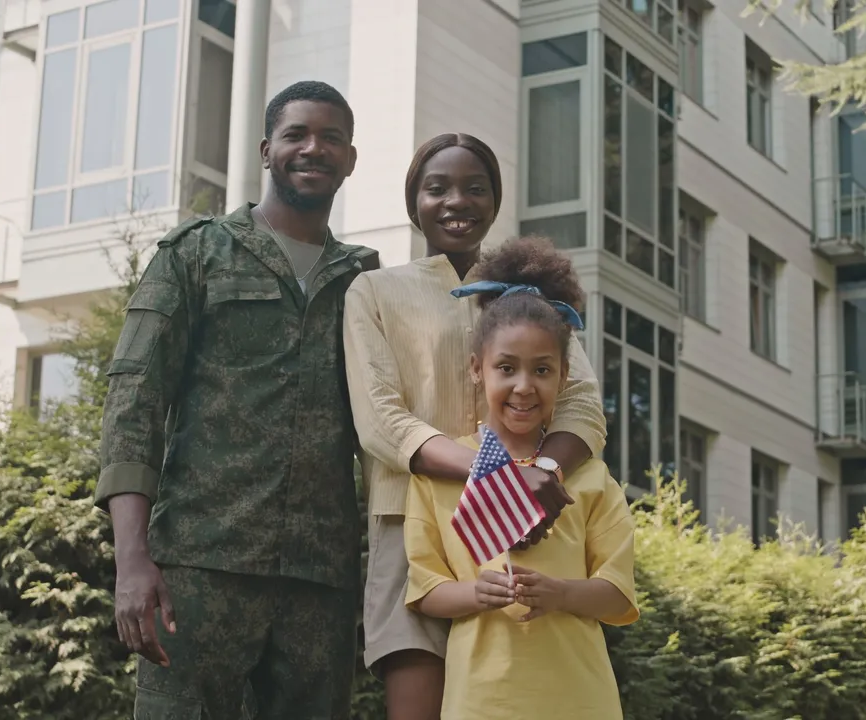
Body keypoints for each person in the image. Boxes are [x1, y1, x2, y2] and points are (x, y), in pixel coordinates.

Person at [95, 80, 378, 720]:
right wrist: (132, 560)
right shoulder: (196, 254)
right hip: (199, 568)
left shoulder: (364, 281)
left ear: (351, 159)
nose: (314, 148)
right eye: (297, 134)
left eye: (331, 138)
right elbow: (134, 402)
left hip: (319, 581)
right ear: (266, 150)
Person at [343, 134, 606, 719]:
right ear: (414, 204)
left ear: (495, 201)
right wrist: (503, 475)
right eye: (437, 188)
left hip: (530, 524)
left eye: (474, 188)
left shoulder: (530, 298)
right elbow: (381, 420)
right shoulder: (374, 291)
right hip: (410, 524)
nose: (456, 201)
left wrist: (540, 472)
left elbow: (583, 404)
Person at [404, 235, 639, 719]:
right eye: (506, 368)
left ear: (564, 375)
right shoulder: (437, 477)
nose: (523, 387)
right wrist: (475, 593)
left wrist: (560, 592)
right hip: (481, 701)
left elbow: (617, 594)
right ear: (477, 369)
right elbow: (425, 590)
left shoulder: (592, 478)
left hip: (580, 700)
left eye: (542, 370)